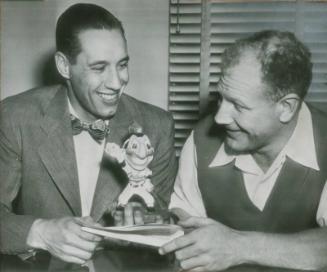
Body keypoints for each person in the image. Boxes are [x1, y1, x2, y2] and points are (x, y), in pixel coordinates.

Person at [0, 3, 177, 270]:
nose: (117, 82)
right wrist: (41, 231)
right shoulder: (15, 117)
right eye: (99, 68)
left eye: (123, 64)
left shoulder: (157, 125)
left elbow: (163, 227)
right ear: (64, 66)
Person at [160, 30, 327, 271]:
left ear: (286, 108)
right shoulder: (201, 141)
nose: (219, 117)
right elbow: (183, 223)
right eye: (221, 99)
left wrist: (239, 246)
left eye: (238, 105)